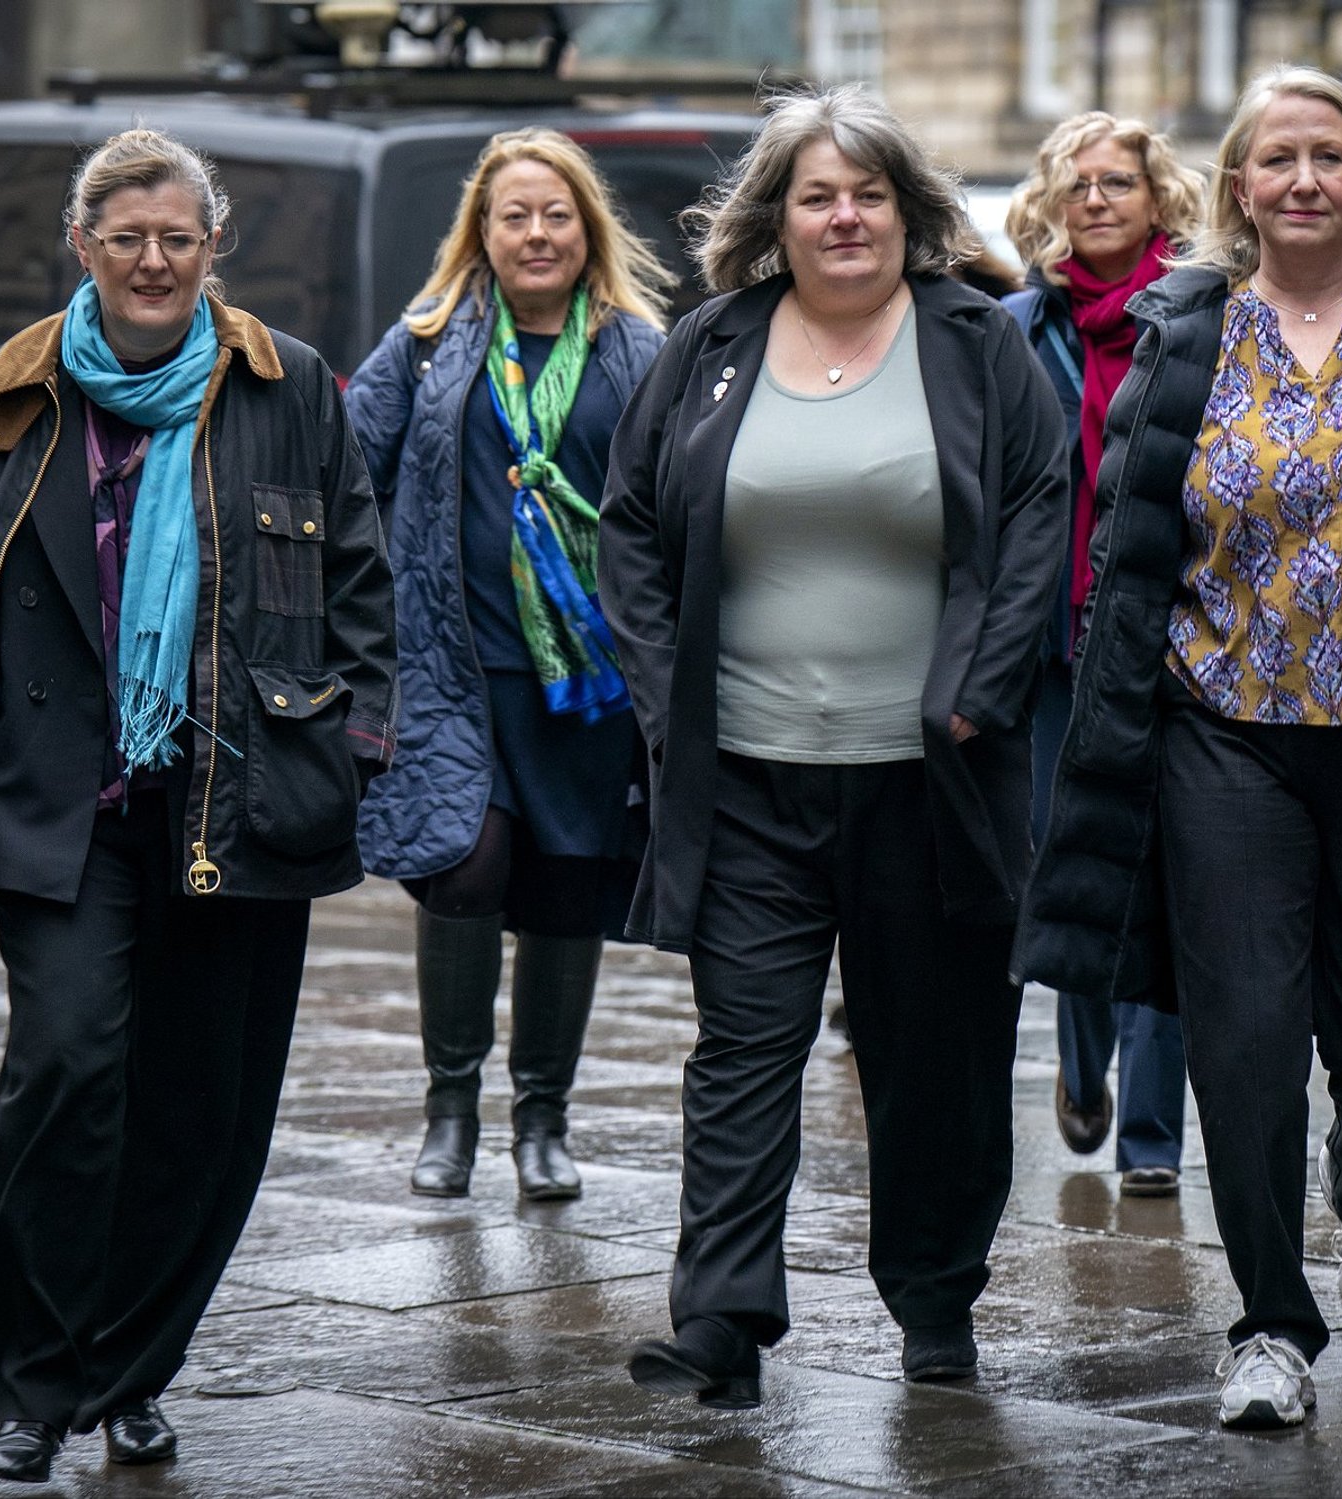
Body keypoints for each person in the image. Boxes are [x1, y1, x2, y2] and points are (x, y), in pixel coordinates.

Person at [1014, 65, 1342, 1431]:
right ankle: (1266, 1319)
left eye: (1329, 156)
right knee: (1243, 1034)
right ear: (1239, 187)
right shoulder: (1184, 333)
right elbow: (1126, 535)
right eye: (1276, 159)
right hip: (1224, 739)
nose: (1303, 180)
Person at [0, 128, 396, 1482]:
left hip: (239, 795)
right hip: (58, 803)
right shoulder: (8, 397)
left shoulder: (292, 389)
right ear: (85, 248)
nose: (154, 258)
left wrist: (356, 747)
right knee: (67, 1070)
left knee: (201, 1104)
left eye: (178, 236)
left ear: (212, 246)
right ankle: (38, 1387)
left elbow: (361, 589)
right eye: (128, 237)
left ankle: (133, 1369)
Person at [599, 85, 1067, 1407]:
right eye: (817, 194)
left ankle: (934, 1295)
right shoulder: (710, 346)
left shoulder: (978, 344)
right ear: (778, 217)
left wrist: (984, 676)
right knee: (745, 1045)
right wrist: (659, 690)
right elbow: (631, 525)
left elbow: (1038, 511)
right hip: (746, 776)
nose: (843, 215)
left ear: (910, 211)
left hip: (933, 778)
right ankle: (722, 1320)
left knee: (935, 1054)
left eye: (867, 192)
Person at [346, 129, 670, 1203]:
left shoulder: (638, 350)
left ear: (588, 230)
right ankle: (450, 1112)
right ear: (479, 234)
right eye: (512, 215)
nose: (535, 233)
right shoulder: (431, 340)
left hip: (585, 683)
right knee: (465, 869)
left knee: (566, 895)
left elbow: (677, 505)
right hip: (455, 668)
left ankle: (543, 1116)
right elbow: (349, 465)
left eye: (555, 214)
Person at [1003, 110, 1204, 1197]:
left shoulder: (1199, 317)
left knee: (1161, 877)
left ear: (1154, 195)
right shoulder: (1018, 324)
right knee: (1059, 862)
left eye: (1116, 180)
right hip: (1050, 644)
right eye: (1075, 183)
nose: (1095, 198)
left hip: (1166, 637)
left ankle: (1150, 1136)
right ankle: (1081, 1065)